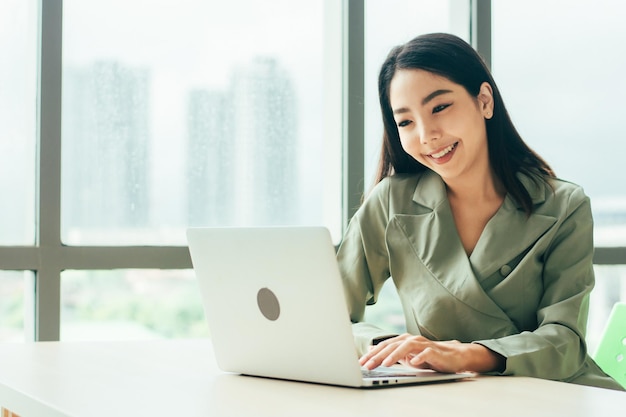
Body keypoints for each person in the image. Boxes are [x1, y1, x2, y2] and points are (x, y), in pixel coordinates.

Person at [336, 32, 624, 391]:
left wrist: (468, 355)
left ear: (484, 101)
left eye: (439, 107)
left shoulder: (564, 205)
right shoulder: (391, 203)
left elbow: (565, 342)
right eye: (406, 121)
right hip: (442, 396)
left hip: (554, 392)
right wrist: (386, 349)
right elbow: (328, 315)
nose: (427, 134)